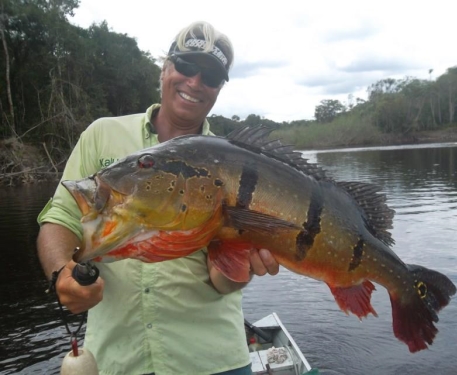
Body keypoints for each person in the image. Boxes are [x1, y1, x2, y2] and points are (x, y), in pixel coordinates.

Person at [37, 21, 279, 375]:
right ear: (165, 68)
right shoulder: (102, 134)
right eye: (186, 65)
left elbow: (222, 280)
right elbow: (60, 216)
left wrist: (244, 264)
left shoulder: (233, 168)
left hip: (212, 360)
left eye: (210, 76)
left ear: (219, 90)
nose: (195, 82)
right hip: (115, 360)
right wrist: (62, 272)